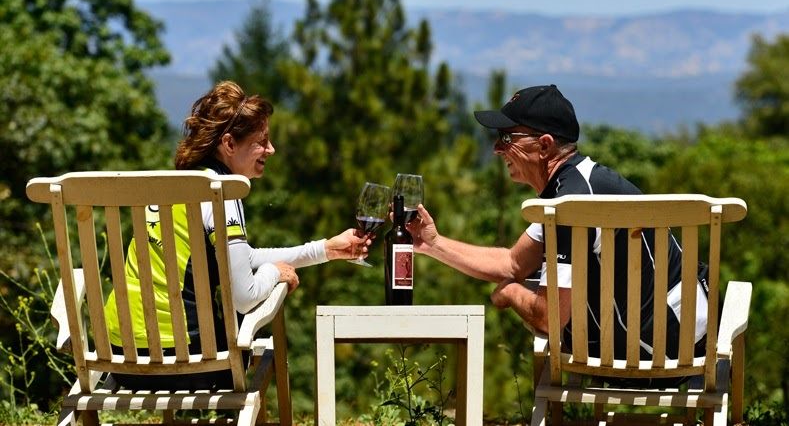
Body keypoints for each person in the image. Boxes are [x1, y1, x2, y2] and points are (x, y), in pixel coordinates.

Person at [408, 84, 708, 368]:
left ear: (545, 145)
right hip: (689, 343)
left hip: (643, 353)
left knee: (541, 294)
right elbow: (513, 263)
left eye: (507, 138)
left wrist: (511, 293)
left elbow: (547, 317)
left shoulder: (569, 205)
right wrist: (432, 244)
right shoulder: (580, 185)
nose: (498, 149)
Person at [103, 81, 370, 390]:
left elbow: (243, 258)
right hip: (188, 363)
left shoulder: (172, 187)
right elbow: (244, 297)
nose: (271, 150)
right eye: (262, 141)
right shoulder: (222, 194)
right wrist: (275, 273)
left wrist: (325, 249)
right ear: (229, 144)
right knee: (261, 351)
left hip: (122, 360)